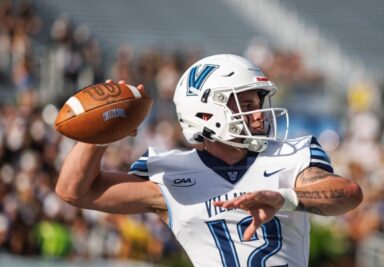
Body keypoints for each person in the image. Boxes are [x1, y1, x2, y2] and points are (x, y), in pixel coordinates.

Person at [56, 54, 363, 267]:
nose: (258, 115)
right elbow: (74, 191)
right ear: (204, 113)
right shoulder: (167, 173)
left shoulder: (292, 153)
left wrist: (284, 198)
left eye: (257, 103)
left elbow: (348, 194)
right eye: (245, 104)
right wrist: (100, 133)